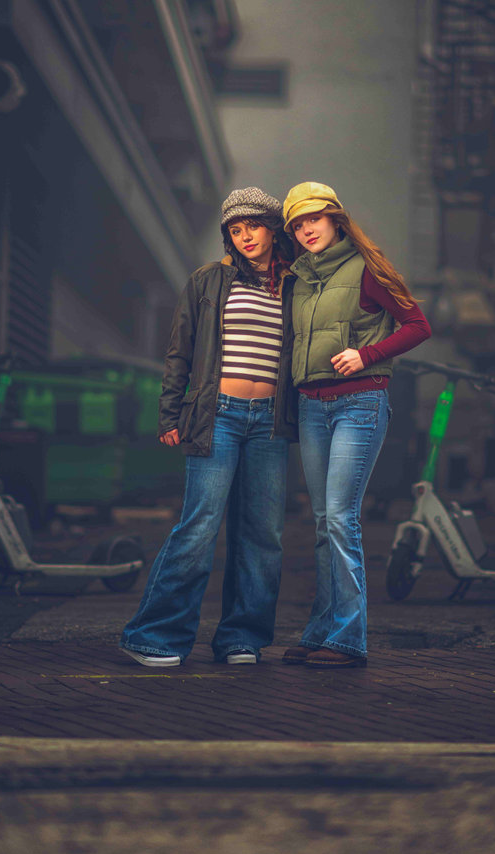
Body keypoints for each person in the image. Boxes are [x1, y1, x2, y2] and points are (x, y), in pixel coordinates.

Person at [119, 187, 297, 667]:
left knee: (263, 534)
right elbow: (180, 350)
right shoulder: (208, 281)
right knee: (199, 525)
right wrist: (170, 413)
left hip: (270, 423)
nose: (245, 238)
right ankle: (153, 636)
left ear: (272, 228)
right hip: (216, 412)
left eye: (253, 227)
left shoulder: (296, 285)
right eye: (235, 231)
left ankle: (242, 636)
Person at [280, 181, 432, 668]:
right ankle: (322, 630)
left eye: (314, 220)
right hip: (311, 406)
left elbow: (417, 325)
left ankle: (348, 639)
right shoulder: (298, 279)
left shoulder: (367, 268)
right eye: (298, 224)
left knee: (341, 519)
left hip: (359, 404)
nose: (307, 230)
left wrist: (366, 354)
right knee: (323, 522)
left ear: (335, 220)